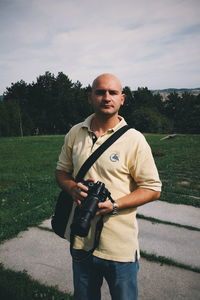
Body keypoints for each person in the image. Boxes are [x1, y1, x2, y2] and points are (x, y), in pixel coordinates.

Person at [55, 73, 162, 300]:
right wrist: (71, 187)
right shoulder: (75, 132)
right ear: (90, 98)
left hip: (119, 247)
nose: (106, 97)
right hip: (81, 240)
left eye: (113, 92)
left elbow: (153, 188)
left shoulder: (135, 140)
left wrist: (114, 205)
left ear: (121, 99)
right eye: (100, 92)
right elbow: (61, 172)